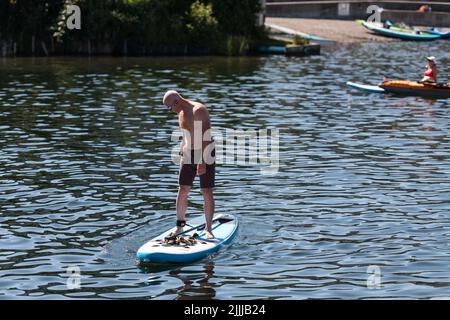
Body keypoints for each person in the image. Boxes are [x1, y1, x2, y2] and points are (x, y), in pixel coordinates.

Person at [163, 90, 216, 239]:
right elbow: (187, 135)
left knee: (206, 190)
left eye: (169, 107)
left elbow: (204, 137)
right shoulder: (180, 112)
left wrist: (202, 161)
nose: (170, 111)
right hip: (187, 154)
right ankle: (179, 227)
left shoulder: (198, 111)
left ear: (176, 102)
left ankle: (209, 229)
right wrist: (181, 151)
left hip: (205, 153)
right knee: (182, 189)